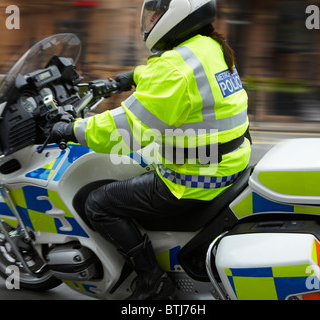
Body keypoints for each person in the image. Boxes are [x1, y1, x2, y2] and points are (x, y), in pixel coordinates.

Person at [49, 0, 251, 300]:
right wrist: (130, 77)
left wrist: (72, 129)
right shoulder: (207, 46)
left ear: (176, 15)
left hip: (193, 177)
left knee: (98, 203)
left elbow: (127, 129)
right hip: (228, 160)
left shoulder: (173, 68)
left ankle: (153, 281)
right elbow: (175, 79)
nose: (151, 19)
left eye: (156, 14)